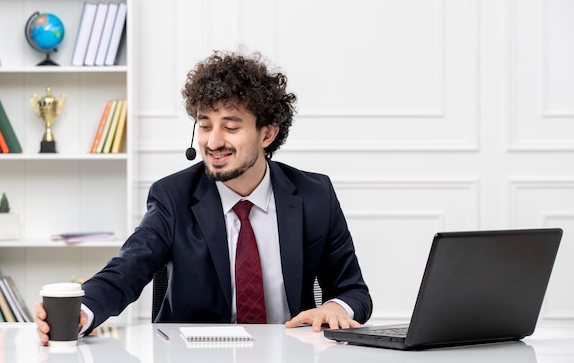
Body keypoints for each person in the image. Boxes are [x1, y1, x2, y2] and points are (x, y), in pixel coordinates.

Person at [35, 50, 372, 345]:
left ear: (267, 133)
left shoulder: (315, 196)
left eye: (231, 126)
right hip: (192, 356)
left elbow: (354, 291)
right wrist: (84, 310)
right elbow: (127, 269)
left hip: (289, 354)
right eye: (205, 124)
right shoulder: (173, 196)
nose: (213, 142)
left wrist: (334, 307)